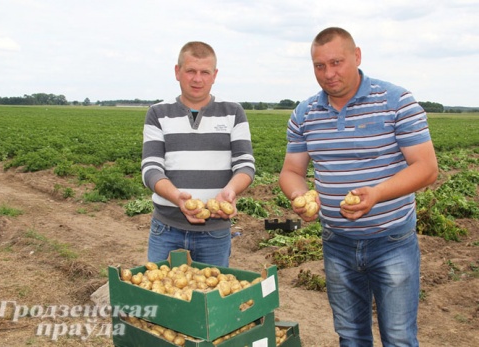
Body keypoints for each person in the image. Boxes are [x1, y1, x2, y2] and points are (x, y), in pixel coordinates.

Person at [279, 27, 438, 346]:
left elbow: (426, 168)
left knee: (398, 337)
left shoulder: (396, 100)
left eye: (336, 62)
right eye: (319, 66)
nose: (328, 73)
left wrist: (377, 194)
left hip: (391, 241)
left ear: (357, 56)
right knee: (350, 335)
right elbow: (291, 171)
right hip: (337, 242)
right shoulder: (305, 112)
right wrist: (299, 195)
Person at [141, 41, 255, 267]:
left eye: (205, 72)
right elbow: (151, 168)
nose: (197, 79)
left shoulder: (233, 112)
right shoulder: (158, 113)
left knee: (211, 298)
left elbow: (245, 165)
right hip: (166, 229)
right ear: (177, 72)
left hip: (215, 233)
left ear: (215, 75)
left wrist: (230, 191)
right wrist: (177, 198)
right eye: (191, 71)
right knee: (162, 296)